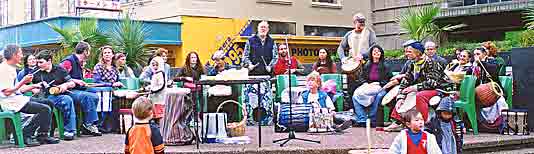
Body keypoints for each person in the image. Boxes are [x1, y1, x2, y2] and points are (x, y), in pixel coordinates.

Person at [33, 50, 102, 140]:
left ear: (49, 60)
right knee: (66, 99)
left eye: (41, 62)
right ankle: (69, 131)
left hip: (66, 91)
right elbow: (30, 87)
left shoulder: (59, 69)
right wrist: (37, 90)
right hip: (48, 96)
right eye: (37, 62)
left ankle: (88, 124)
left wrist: (65, 85)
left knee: (91, 96)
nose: (38, 65)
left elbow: (71, 83)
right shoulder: (36, 72)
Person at [0, 45, 59, 146]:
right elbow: (6, 92)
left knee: (49, 103)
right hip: (10, 102)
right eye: (20, 53)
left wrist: (34, 86)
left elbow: (19, 89)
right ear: (14, 55)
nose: (22, 56)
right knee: (44, 109)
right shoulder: (4, 69)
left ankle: (42, 135)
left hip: (17, 99)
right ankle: (25, 134)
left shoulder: (10, 68)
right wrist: (23, 81)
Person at [386, 40, 451, 131]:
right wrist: (400, 97)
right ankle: (399, 121)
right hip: (424, 88)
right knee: (406, 93)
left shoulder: (431, 62)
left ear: (417, 52)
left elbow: (433, 82)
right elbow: (405, 81)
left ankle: (424, 123)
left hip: (440, 89)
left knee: (420, 96)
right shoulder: (412, 64)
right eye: (406, 52)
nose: (406, 54)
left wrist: (414, 87)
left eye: (409, 52)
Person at [352, 44, 393, 127]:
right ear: (371, 53)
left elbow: (389, 79)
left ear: (381, 53)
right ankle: (362, 119)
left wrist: (379, 83)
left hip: (381, 86)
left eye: (378, 51)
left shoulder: (385, 66)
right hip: (368, 86)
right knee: (355, 96)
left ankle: (373, 118)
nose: (376, 52)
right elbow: (361, 77)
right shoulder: (367, 65)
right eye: (374, 51)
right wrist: (365, 83)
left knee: (379, 96)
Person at [143, 57, 167, 122]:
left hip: (159, 99)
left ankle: (158, 130)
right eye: (153, 65)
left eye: (156, 65)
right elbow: (154, 85)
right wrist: (146, 88)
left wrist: (153, 90)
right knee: (153, 116)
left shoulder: (160, 73)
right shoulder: (155, 74)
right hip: (154, 99)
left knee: (158, 117)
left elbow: (161, 85)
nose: (155, 67)